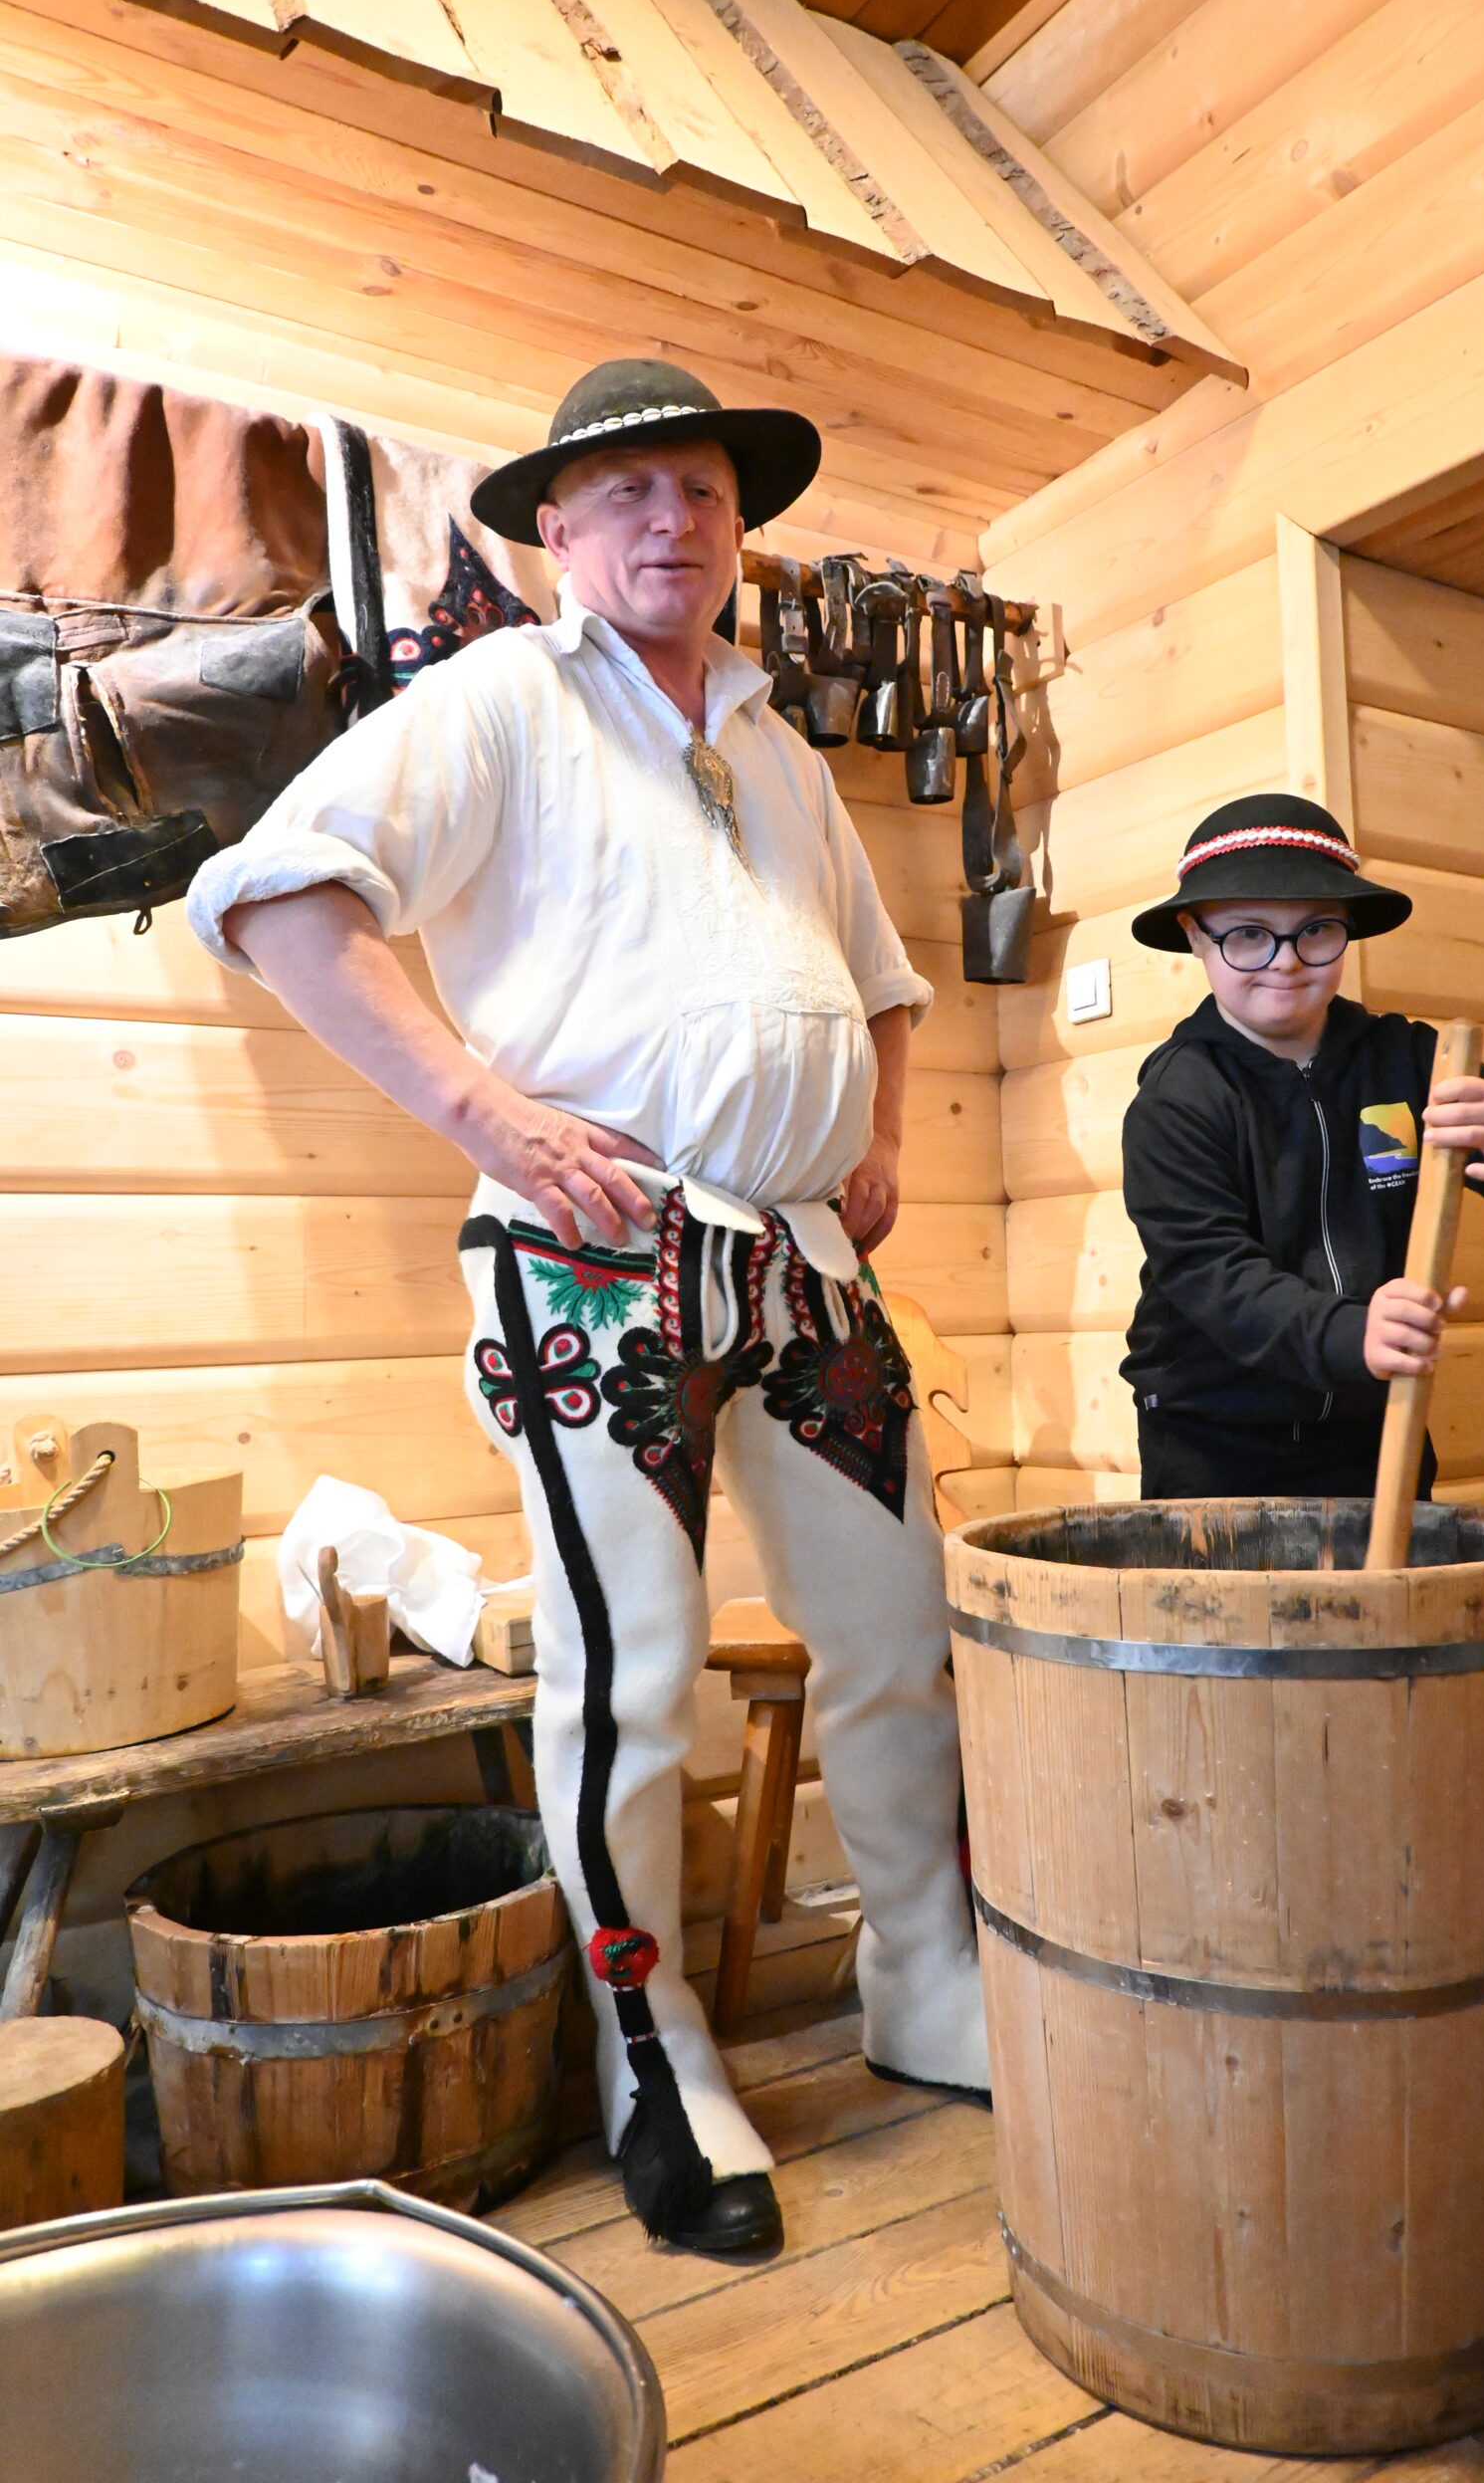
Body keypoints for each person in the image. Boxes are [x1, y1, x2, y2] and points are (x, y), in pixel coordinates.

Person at [186, 356, 988, 2258]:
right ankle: (655, 2054)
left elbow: (883, 982)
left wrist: (878, 1137)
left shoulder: (784, 752)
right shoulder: (495, 703)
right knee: (632, 1672)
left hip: (807, 1259)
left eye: (699, 490)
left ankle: (924, 1978)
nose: (667, 520)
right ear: (555, 531)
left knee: (900, 1637)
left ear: (738, 527)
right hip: (592, 1247)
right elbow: (279, 896)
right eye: (624, 493)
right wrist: (485, 1114)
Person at [1121, 791, 1484, 1499]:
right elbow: (1208, 1272)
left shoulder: (1410, 1062)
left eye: (1315, 931)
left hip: (1376, 1429)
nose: (1286, 962)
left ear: (1346, 930)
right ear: (1195, 936)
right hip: (1213, 1439)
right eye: (1248, 935)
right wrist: (1349, 1334)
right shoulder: (1179, 1096)